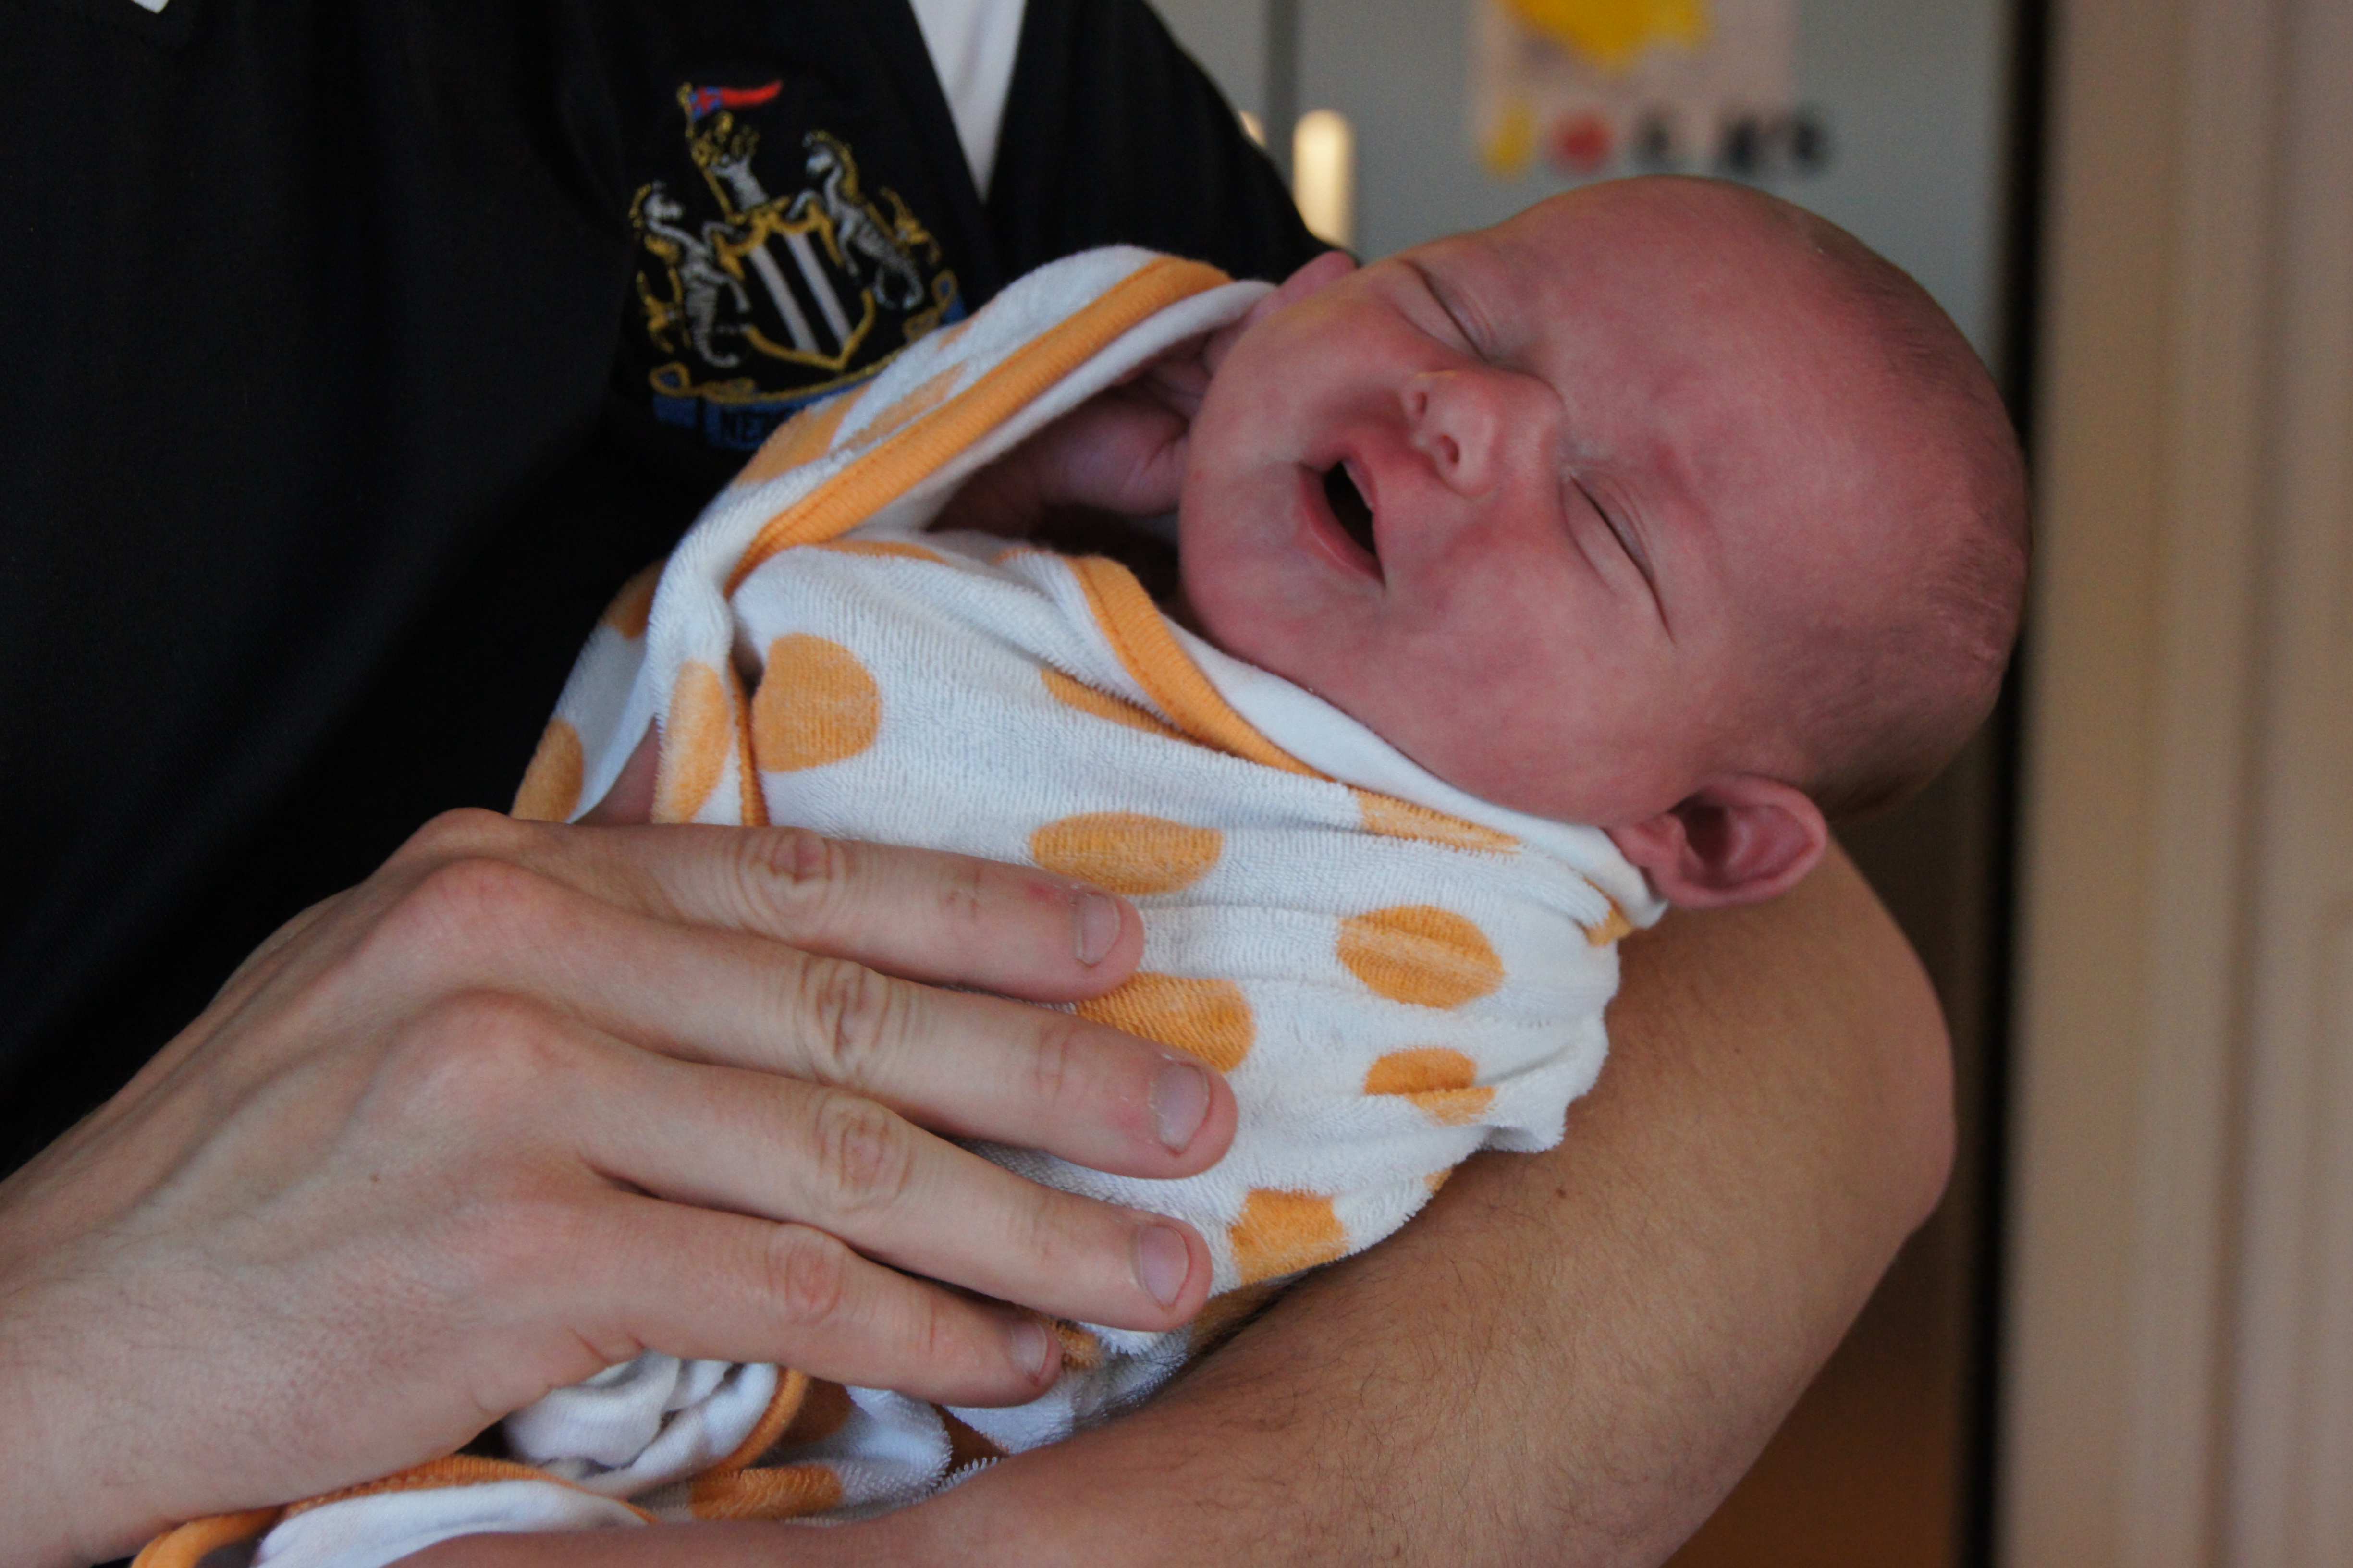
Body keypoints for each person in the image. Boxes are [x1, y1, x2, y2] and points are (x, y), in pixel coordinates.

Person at [0, 3, 1958, 1566]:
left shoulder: (971, 40)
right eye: (1456, 307)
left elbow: (1834, 1028)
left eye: (1610, 518)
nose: (1466, 405)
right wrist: (67, 1362)